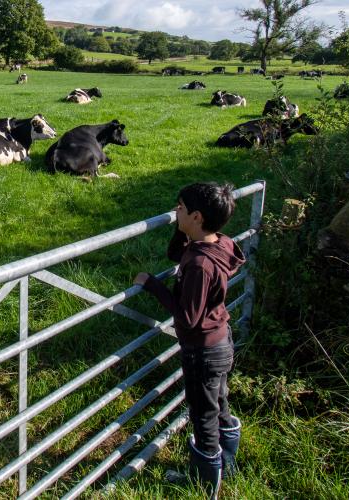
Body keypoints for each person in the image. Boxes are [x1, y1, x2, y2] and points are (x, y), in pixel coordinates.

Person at [134, 182, 245, 499]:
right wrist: (184, 229)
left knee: (204, 416)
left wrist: (152, 285)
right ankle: (229, 464)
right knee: (219, 403)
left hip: (202, 350)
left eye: (179, 207)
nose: (174, 211)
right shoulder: (219, 244)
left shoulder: (199, 265)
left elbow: (187, 318)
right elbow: (175, 253)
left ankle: (205, 485)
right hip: (221, 341)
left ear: (197, 216)